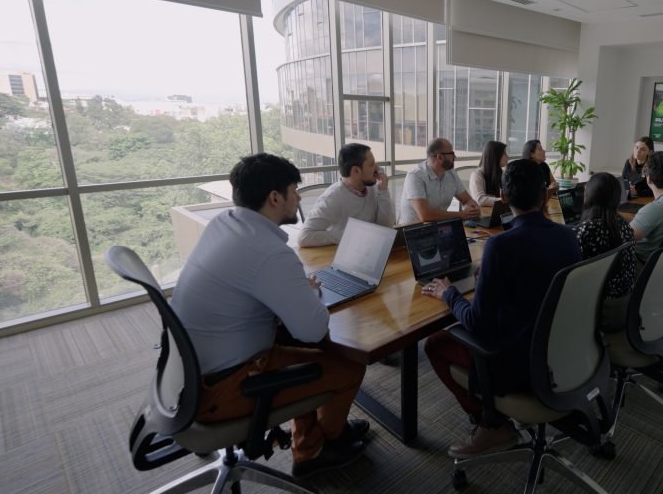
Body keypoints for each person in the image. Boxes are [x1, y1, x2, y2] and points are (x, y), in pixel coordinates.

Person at [170, 153, 370, 478]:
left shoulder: (223, 223)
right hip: (221, 388)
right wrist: (307, 292)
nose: (298, 198)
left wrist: (289, 289)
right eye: (294, 190)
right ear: (275, 198)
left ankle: (308, 441)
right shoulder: (271, 252)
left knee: (304, 351)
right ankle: (322, 447)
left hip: (186, 374)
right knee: (349, 366)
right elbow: (314, 328)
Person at [422, 159, 581, 459]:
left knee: (434, 344)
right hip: (563, 352)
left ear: (504, 198)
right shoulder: (568, 236)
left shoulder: (501, 246)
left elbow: (476, 323)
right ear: (545, 195)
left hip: (519, 362)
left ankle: (492, 423)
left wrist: (449, 293)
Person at [573, 172, 637, 332]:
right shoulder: (623, 223)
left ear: (589, 195)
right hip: (628, 305)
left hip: (602, 312)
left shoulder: (586, 230)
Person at [297, 143, 393, 247]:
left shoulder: (375, 188)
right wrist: (351, 235)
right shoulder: (332, 198)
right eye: (371, 164)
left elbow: (386, 228)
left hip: (371, 248)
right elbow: (304, 237)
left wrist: (383, 191)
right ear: (356, 171)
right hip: (344, 253)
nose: (377, 168)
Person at [398, 137, 481, 225]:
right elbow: (426, 215)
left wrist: (473, 209)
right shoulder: (415, 176)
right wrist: (461, 215)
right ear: (440, 157)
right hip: (413, 230)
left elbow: (467, 200)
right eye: (452, 153)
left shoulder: (451, 173)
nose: (455, 157)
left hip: (439, 228)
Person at [469, 140, 508, 207]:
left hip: (496, 210)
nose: (507, 156)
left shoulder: (501, 173)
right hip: (483, 212)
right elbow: (480, 200)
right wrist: (505, 201)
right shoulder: (477, 175)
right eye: (504, 153)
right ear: (495, 156)